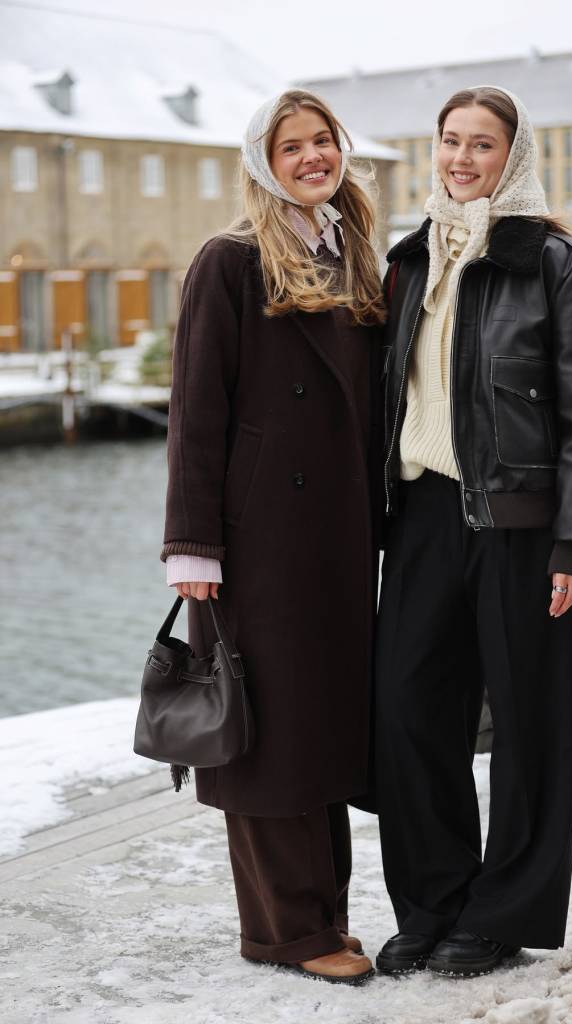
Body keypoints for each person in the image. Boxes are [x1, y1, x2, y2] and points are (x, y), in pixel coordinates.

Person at [374, 86, 572, 978]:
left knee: (528, 723)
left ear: (512, 157)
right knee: (408, 712)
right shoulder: (409, 259)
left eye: (481, 144)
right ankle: (432, 903)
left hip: (520, 524)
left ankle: (503, 912)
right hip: (421, 517)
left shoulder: (558, 265)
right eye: (450, 141)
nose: (461, 159)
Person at [161, 89, 386, 985]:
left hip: (336, 536)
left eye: (321, 140)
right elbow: (195, 408)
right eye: (290, 146)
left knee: (320, 727)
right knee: (267, 737)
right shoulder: (230, 259)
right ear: (263, 161)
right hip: (255, 543)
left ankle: (323, 915)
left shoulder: (350, 252)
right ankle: (286, 932)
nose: (311, 157)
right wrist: (192, 547)